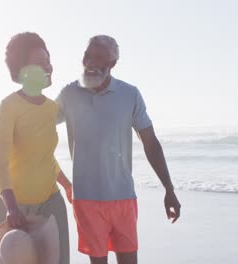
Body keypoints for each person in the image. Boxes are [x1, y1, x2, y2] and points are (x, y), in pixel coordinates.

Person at [55, 35, 181, 264]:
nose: (90, 62)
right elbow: (40, 126)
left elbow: (150, 142)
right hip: (86, 199)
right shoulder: (69, 94)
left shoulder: (129, 94)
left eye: (99, 58)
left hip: (122, 197)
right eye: (87, 55)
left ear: (112, 64)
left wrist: (168, 189)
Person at [0, 32, 72, 264]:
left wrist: (66, 185)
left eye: (49, 60)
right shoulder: (9, 106)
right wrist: (11, 207)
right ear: (23, 70)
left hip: (49, 202)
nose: (49, 66)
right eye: (41, 62)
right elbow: (0, 161)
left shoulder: (51, 109)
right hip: (12, 207)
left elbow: (45, 158)